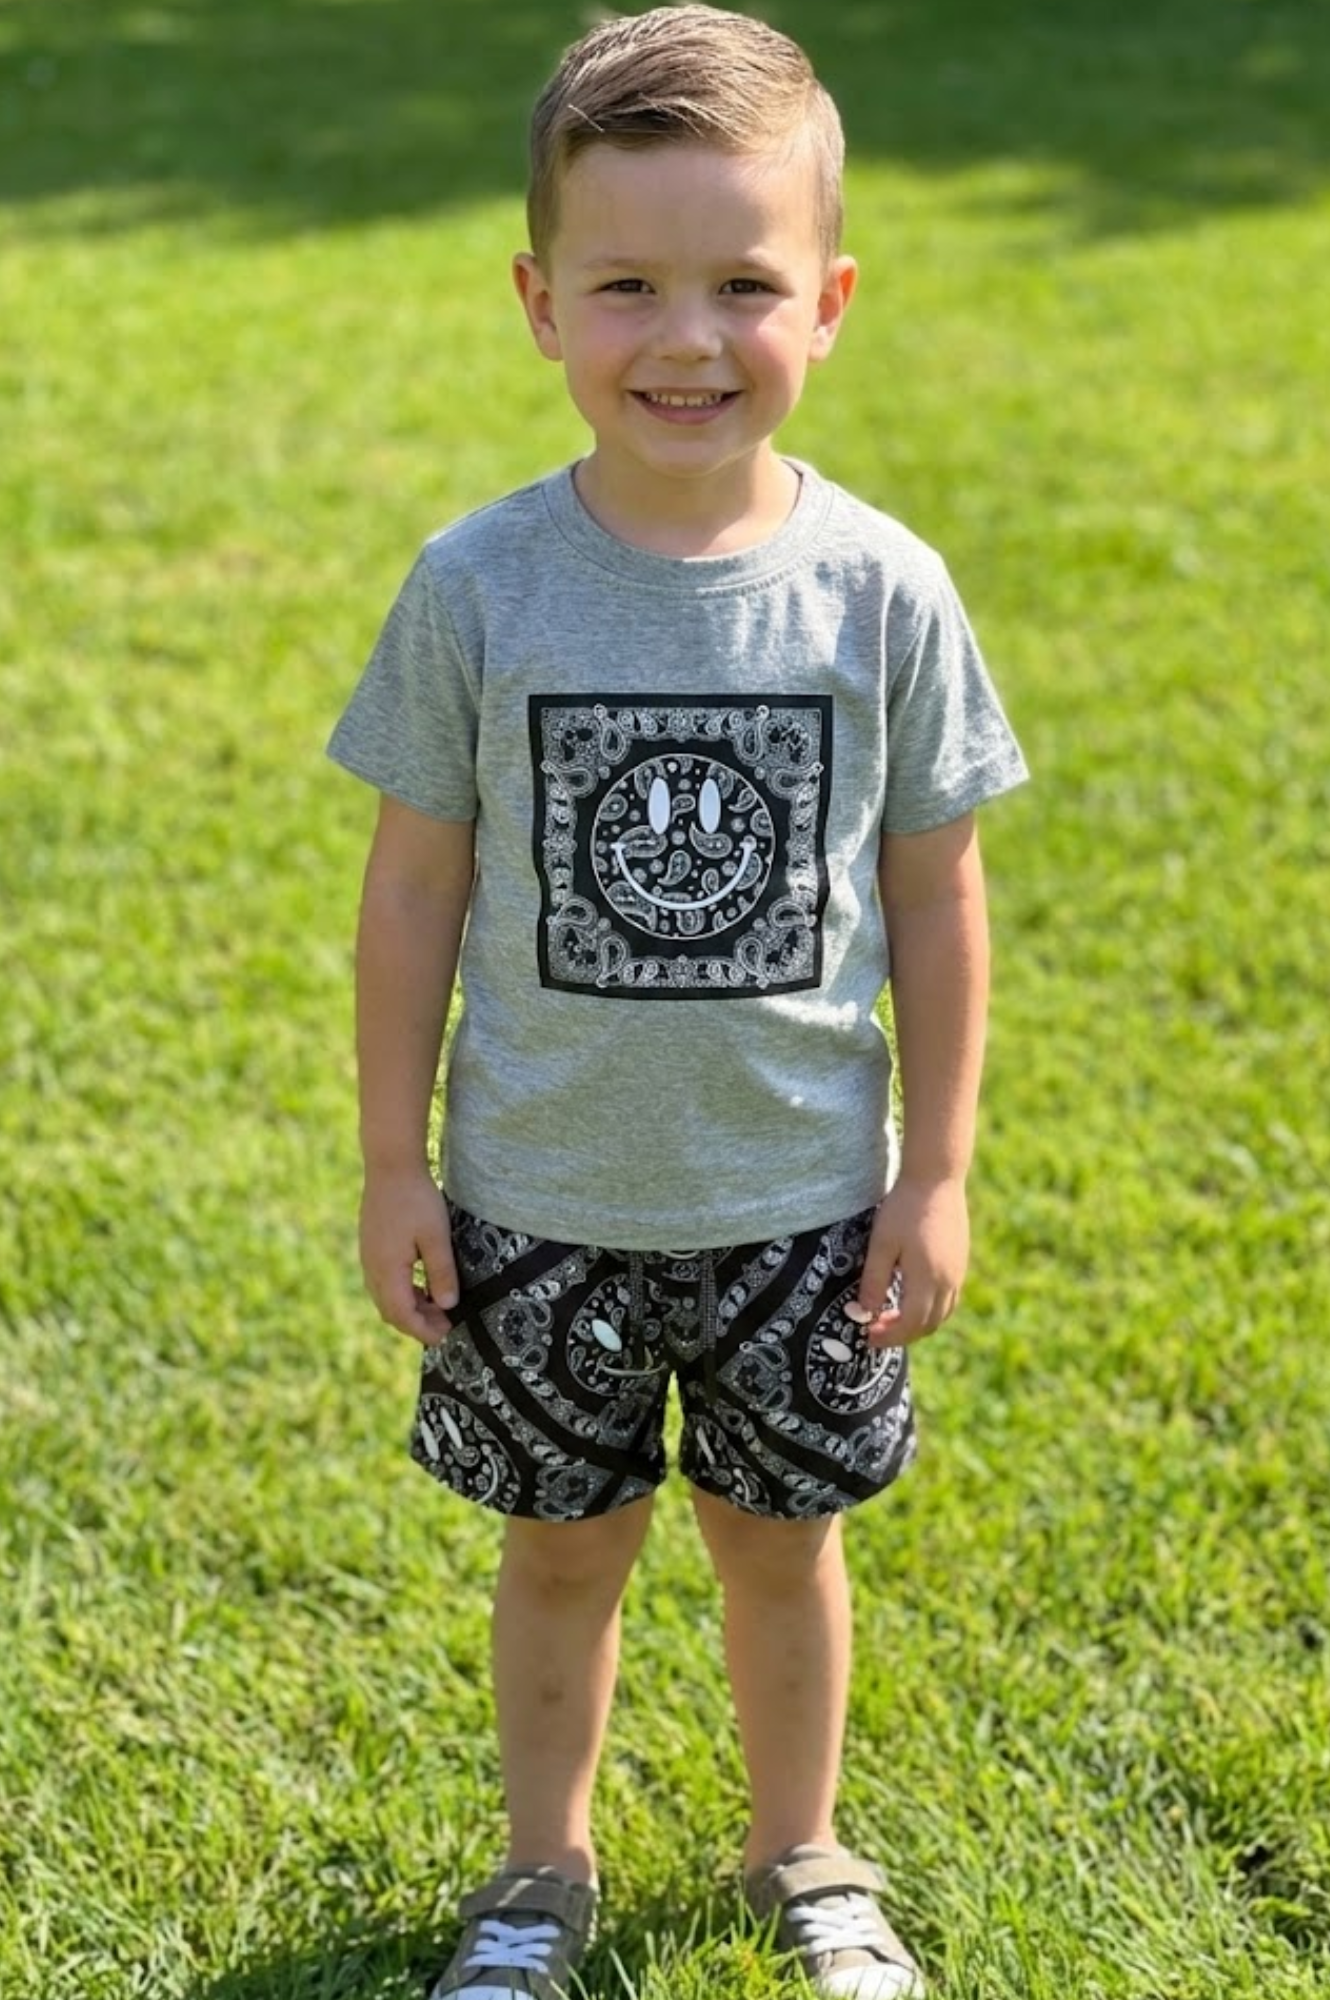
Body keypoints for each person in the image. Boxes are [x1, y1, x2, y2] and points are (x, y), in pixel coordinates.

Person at [328, 7, 1027, 1996]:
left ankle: (803, 1854)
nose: (687, 337)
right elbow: (413, 888)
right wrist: (396, 1163)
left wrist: (938, 1169)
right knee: (557, 1546)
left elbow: (933, 884)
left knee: (776, 1545)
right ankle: (536, 1878)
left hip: (802, 1198)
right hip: (535, 1195)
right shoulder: (478, 586)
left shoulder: (879, 589)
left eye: (741, 282)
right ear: (539, 303)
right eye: (627, 283)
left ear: (830, 293)